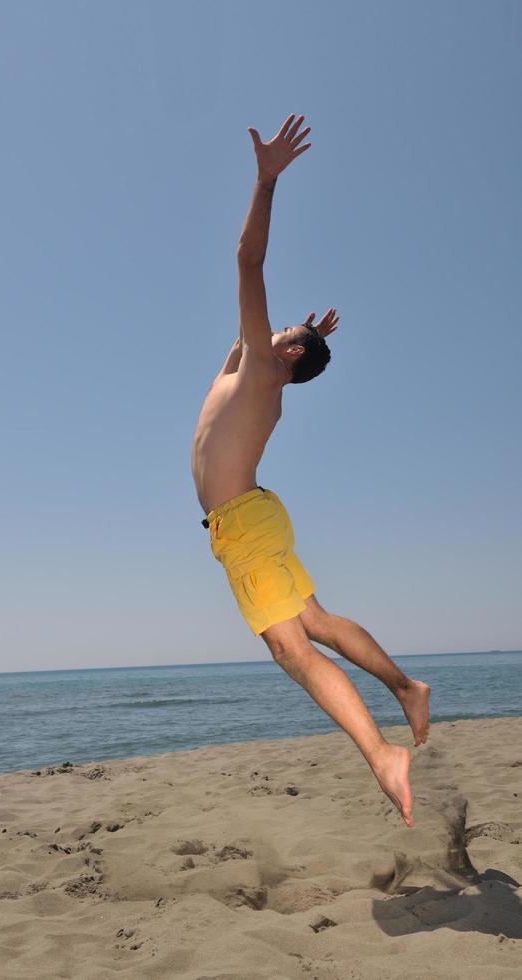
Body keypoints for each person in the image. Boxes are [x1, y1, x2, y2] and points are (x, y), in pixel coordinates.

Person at [191, 112, 430, 828]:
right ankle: (407, 687)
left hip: (243, 522)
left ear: (284, 356)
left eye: (279, 335)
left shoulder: (262, 366)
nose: (265, 330)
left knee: (292, 649)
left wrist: (265, 183)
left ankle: (382, 754)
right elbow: (253, 337)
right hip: (255, 514)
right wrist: (309, 333)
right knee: (316, 620)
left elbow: (246, 262)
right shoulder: (250, 370)